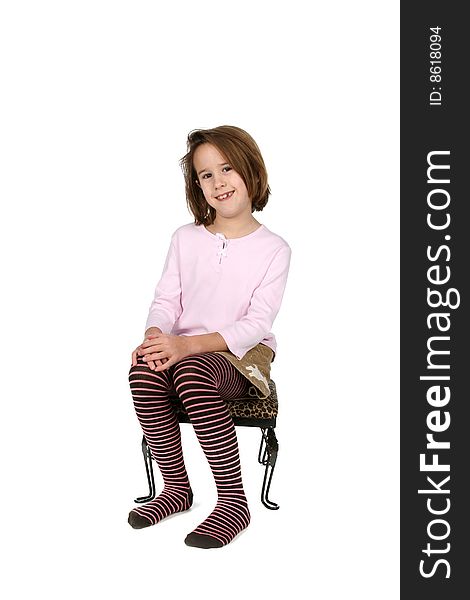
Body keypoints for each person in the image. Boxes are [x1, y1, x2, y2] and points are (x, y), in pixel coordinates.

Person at [128, 125, 291, 549]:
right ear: (197, 186)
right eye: (205, 175)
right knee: (144, 371)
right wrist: (154, 337)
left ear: (251, 171)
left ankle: (234, 502)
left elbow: (256, 323)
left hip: (241, 356)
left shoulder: (274, 249)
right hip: (183, 350)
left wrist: (186, 346)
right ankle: (177, 490)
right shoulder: (185, 239)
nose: (218, 181)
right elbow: (166, 301)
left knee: (194, 370)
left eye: (228, 168)